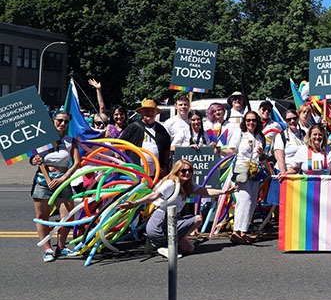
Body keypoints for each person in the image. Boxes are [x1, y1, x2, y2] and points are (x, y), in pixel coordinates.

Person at [116, 160, 237, 256]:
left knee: (189, 248)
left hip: (173, 220)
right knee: (198, 219)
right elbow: (154, 195)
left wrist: (223, 192)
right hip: (159, 222)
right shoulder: (171, 183)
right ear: (177, 171)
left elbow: (205, 191)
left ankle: (164, 244)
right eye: (183, 171)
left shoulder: (188, 185)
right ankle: (157, 242)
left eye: (190, 170)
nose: (187, 173)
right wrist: (135, 203)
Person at [29, 111, 80, 262]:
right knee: (42, 216)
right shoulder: (41, 139)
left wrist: (65, 177)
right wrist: (35, 160)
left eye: (65, 122)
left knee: (67, 217)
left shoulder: (71, 141)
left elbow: (77, 162)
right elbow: (32, 159)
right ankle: (48, 249)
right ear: (53, 121)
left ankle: (61, 247)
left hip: (62, 181)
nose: (62, 124)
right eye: (59, 120)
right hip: (42, 181)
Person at [220, 111, 266, 244]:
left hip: (255, 171)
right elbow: (231, 150)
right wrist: (220, 151)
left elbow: (263, 158)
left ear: (257, 122)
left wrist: (262, 154)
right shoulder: (239, 133)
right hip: (241, 170)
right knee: (244, 200)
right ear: (244, 122)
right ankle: (236, 232)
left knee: (251, 202)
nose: (251, 123)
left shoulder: (259, 136)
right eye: (248, 120)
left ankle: (243, 232)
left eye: (253, 120)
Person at [120, 100, 171, 178]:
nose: (149, 113)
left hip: (156, 174)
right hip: (134, 173)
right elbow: (121, 146)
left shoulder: (161, 130)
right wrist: (125, 164)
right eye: (146, 111)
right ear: (141, 112)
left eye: (152, 111)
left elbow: (166, 150)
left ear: (156, 113)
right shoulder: (132, 127)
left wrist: (164, 166)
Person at [273, 109, 307, 176]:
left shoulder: (304, 134)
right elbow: (280, 158)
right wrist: (283, 174)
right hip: (286, 171)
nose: (292, 121)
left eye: (294, 118)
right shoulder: (281, 136)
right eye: (289, 119)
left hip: (300, 172)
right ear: (285, 121)